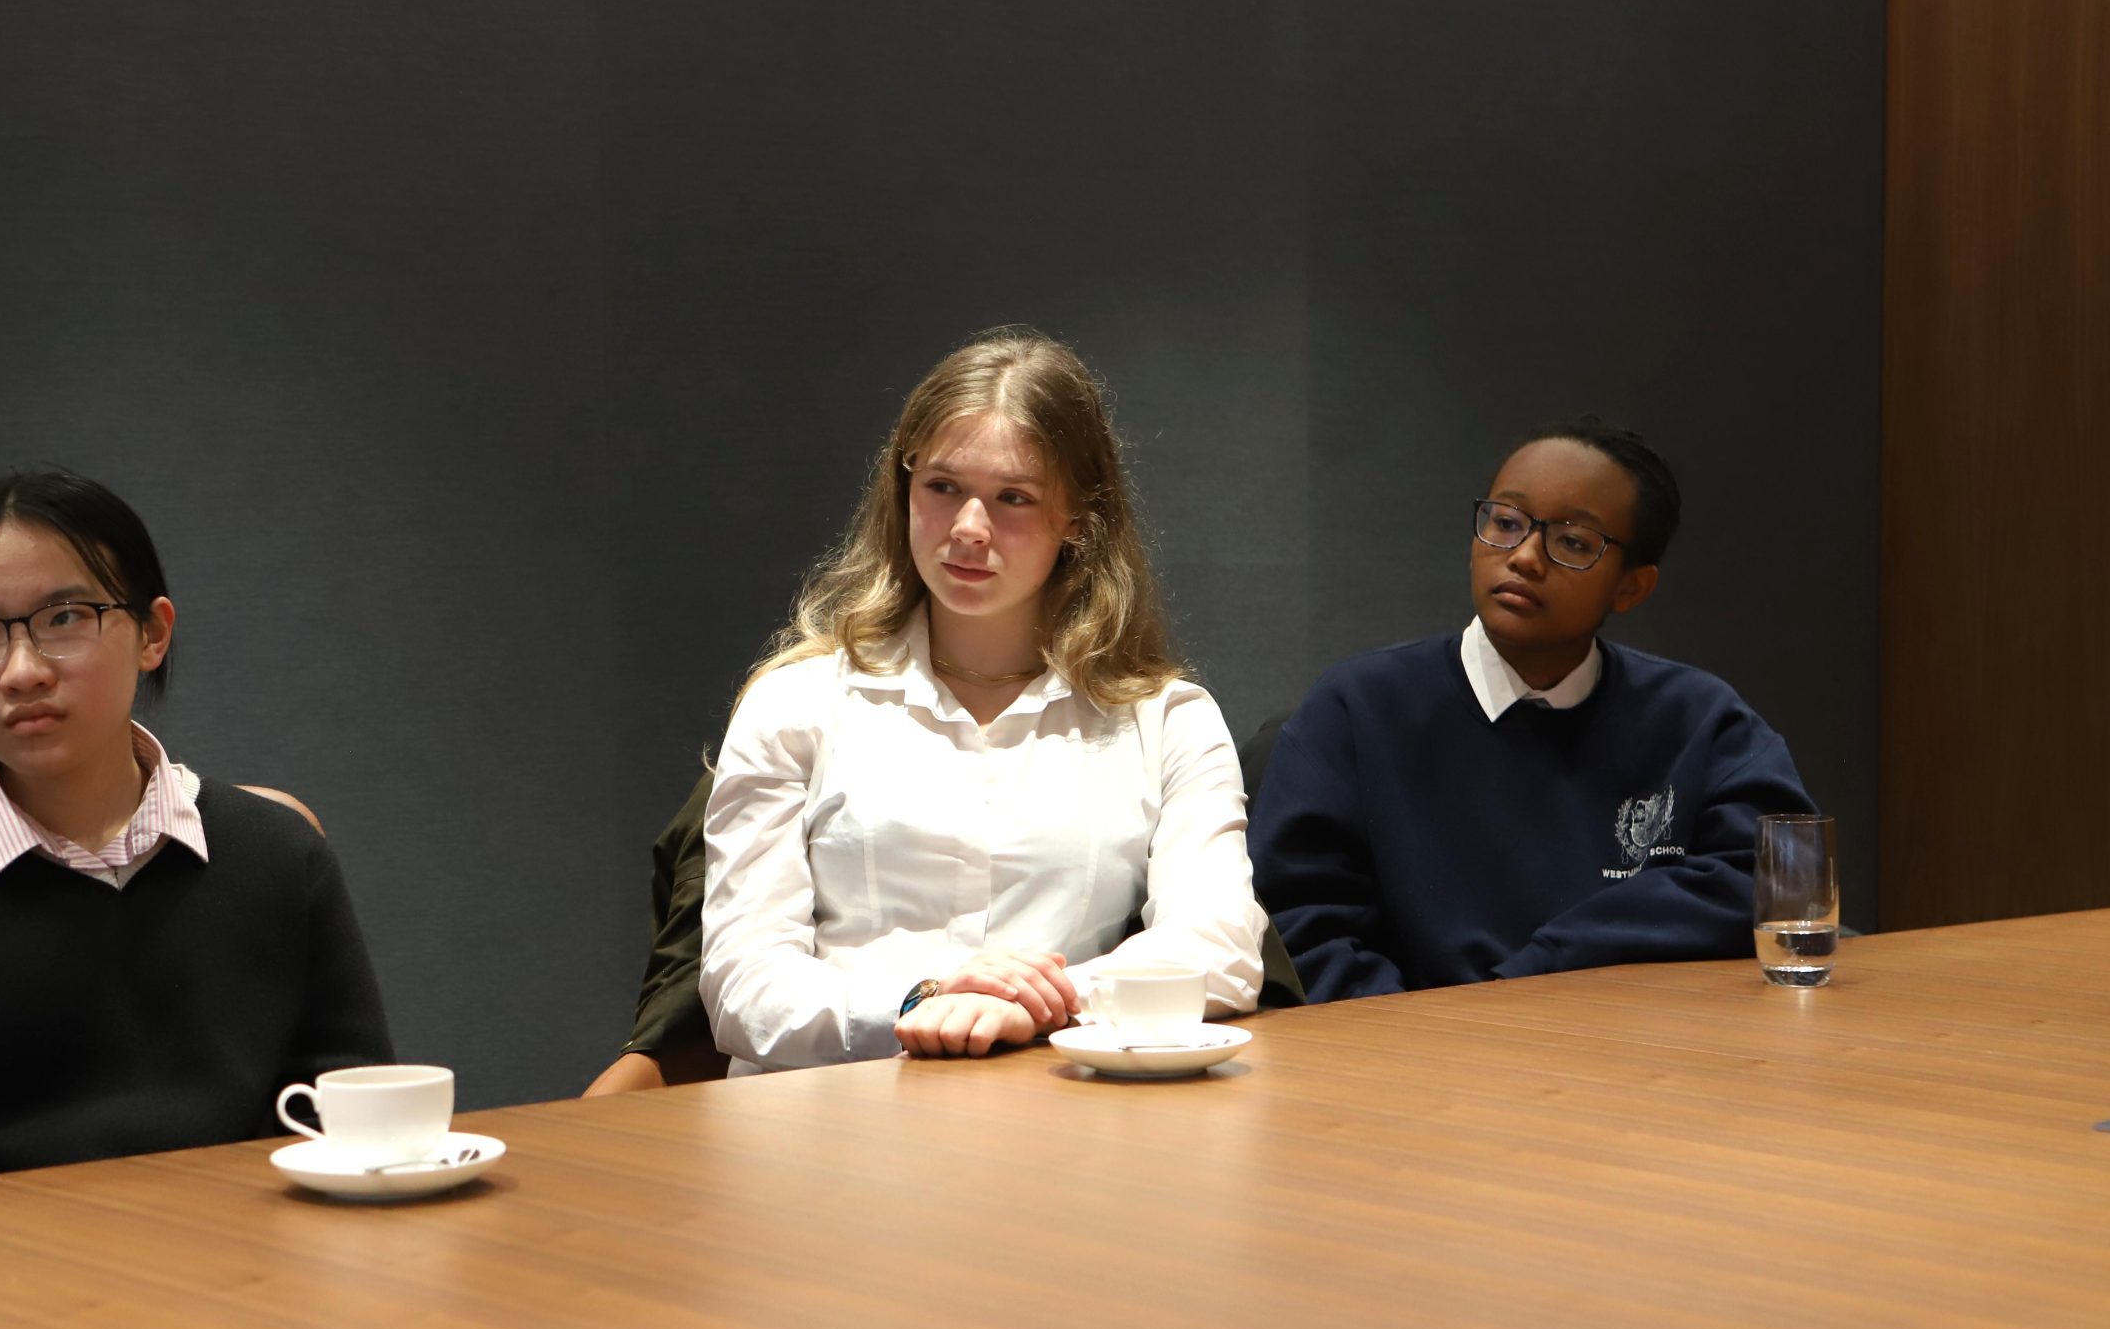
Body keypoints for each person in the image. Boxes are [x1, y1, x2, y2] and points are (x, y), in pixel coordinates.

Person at [0, 468, 394, 1196]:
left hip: (246, 1280)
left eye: (65, 617)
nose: (22, 670)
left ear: (153, 633)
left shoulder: (281, 857)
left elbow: (352, 1128)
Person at [699, 328, 1266, 1071]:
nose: (969, 528)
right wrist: (920, 1000)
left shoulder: (1168, 719)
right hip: (828, 1117)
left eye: (1013, 498)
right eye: (942, 487)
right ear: (902, 488)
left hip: (1058, 1115)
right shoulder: (795, 703)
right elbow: (743, 987)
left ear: (1078, 520)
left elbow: (1219, 950)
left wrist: (1027, 1004)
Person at [1249, 417, 1816, 1001]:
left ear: (1632, 588)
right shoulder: (1358, 708)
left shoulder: (1697, 717)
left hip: (1630, 1055)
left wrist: (1557, 957)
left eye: (1571, 542)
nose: (1523, 557)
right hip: (1418, 1064)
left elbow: (1785, 880)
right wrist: (1443, 1042)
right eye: (1506, 522)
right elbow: (1301, 930)